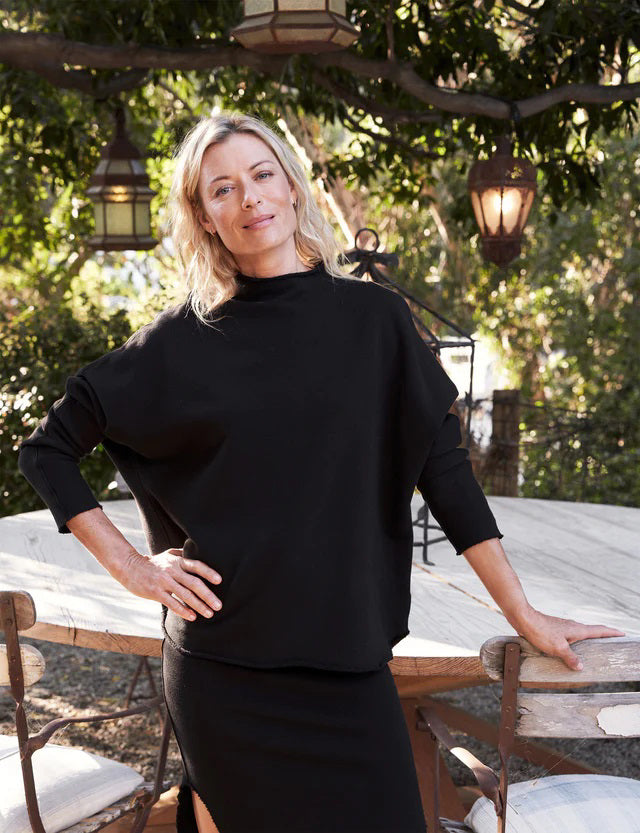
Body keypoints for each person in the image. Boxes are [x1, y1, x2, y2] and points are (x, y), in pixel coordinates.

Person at [17, 111, 623, 833]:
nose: (249, 198)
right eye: (223, 189)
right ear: (204, 217)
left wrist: (521, 612)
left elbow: (447, 473)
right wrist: (133, 569)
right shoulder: (182, 341)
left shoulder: (375, 320)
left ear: (292, 186)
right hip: (226, 675)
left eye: (262, 174)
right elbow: (48, 448)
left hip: (351, 669)